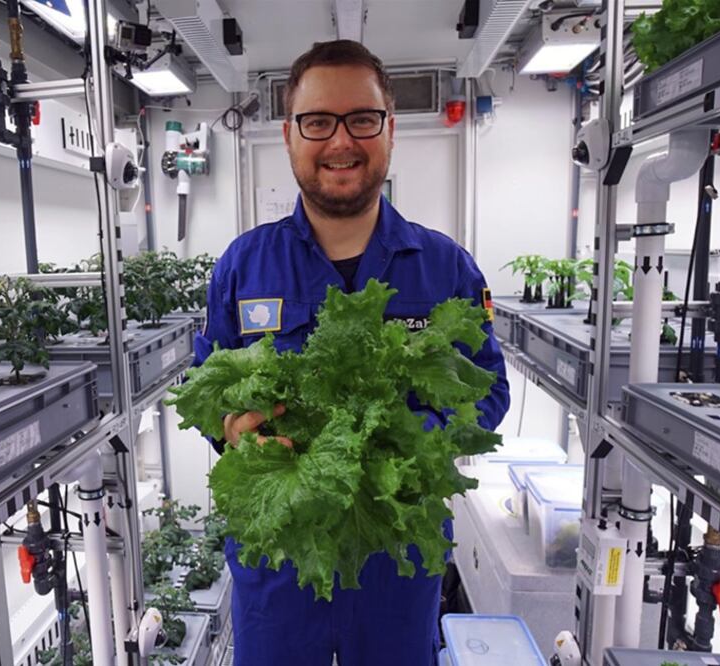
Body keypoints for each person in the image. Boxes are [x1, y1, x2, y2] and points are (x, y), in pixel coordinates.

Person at [192, 40, 510, 665]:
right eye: (318, 121)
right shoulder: (243, 265)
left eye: (362, 119)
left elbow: (489, 392)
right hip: (280, 558)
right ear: (289, 136)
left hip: (397, 553)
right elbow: (207, 388)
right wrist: (233, 428)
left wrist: (410, 439)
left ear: (390, 131)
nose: (341, 141)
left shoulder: (446, 267)